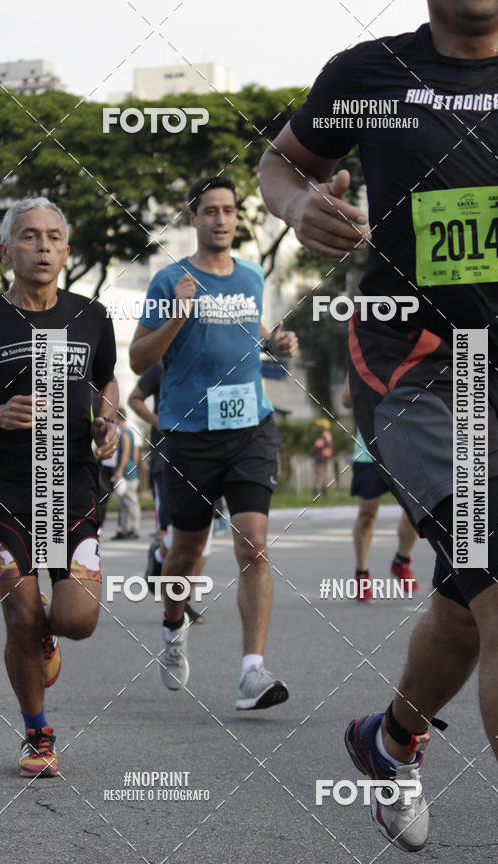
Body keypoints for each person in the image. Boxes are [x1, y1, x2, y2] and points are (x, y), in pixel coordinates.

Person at [259, 2, 498, 864]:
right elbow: (283, 161)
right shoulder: (369, 73)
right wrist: (300, 204)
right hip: (426, 367)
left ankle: (388, 740)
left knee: (474, 606)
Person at [0, 197, 118, 777]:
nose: (43, 246)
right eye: (29, 237)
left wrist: (110, 422)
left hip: (71, 485)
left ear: (68, 250)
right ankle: (38, 736)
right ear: (7, 251)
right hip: (4, 487)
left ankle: (46, 644)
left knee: (76, 620)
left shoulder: (91, 317)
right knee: (21, 617)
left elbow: (107, 381)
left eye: (54, 236)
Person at [130, 175, 298, 710]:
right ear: (194, 218)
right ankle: (173, 630)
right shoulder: (168, 281)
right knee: (185, 552)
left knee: (253, 543)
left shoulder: (251, 275)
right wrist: (179, 313)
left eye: (229, 210)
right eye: (210, 211)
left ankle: (253, 671)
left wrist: (277, 340)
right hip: (188, 433)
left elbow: (251, 329)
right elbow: (138, 360)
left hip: (251, 427)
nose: (221, 219)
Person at [128, 363, 206, 623]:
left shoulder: (205, 359)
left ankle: (184, 601)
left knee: (203, 546)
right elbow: (134, 399)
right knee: (174, 539)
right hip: (168, 458)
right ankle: (160, 557)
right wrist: (158, 420)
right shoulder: (161, 365)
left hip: (207, 458)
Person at [342, 377, 419, 602]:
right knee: (367, 515)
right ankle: (362, 575)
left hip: (406, 447)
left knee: (416, 512)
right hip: (370, 449)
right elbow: (346, 398)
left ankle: (401, 561)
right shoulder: (362, 354)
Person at [111, 407, 140, 539]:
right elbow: (134, 454)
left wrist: (120, 471)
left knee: (130, 503)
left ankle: (133, 529)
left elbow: (126, 453)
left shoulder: (124, 433)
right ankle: (124, 529)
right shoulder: (129, 432)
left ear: (117, 418)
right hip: (130, 471)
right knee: (124, 503)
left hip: (127, 474)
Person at [312, 418, 333, 494]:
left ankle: (317, 491)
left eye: (319, 426)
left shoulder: (323, 435)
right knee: (323, 474)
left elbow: (318, 446)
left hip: (321, 457)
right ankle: (324, 491)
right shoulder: (328, 434)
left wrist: (313, 451)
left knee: (319, 474)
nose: (317, 427)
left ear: (323, 427)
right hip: (325, 457)